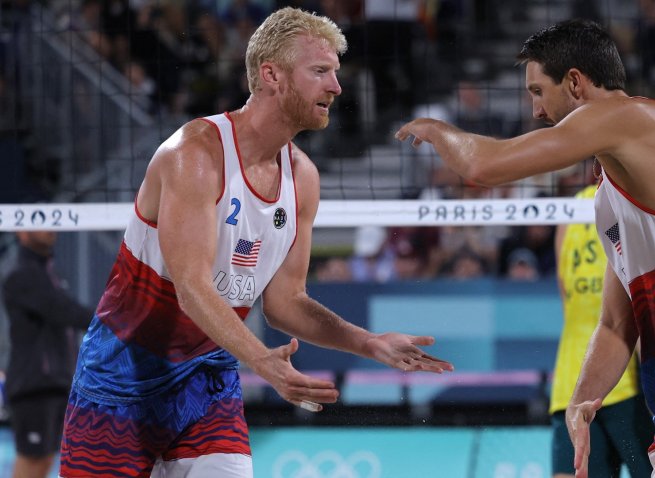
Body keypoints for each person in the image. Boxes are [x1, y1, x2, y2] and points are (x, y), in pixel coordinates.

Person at [60, 7, 453, 478]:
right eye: (320, 72)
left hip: (208, 383)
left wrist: (369, 344)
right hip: (122, 380)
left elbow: (286, 304)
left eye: (336, 73)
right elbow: (191, 288)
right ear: (272, 75)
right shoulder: (196, 154)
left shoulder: (302, 177)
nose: (336, 86)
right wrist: (263, 361)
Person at [396, 19, 655, 478]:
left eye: (538, 92)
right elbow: (614, 324)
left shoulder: (638, 118)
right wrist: (581, 403)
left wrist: (436, 129)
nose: (536, 111)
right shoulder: (611, 195)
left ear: (574, 82)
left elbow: (485, 166)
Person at [550, 184, 653, 478]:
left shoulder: (569, 213)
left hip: (574, 381)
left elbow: (565, 297)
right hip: (624, 380)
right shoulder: (638, 201)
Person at [2, 231, 94, 478]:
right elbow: (65, 311)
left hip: (55, 383)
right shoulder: (22, 276)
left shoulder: (50, 273)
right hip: (34, 385)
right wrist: (112, 319)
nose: (50, 229)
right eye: (40, 222)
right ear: (21, 230)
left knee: (44, 461)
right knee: (32, 460)